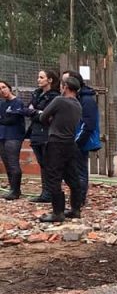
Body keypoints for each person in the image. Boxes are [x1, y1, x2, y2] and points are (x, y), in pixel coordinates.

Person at [36, 75, 83, 222]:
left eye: (62, 85)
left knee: (53, 177)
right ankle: (75, 209)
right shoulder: (78, 104)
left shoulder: (59, 100)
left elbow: (43, 117)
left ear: (66, 87)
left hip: (56, 143)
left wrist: (50, 118)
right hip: (70, 144)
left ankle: (58, 212)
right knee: (72, 177)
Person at [61, 70, 100, 207]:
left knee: (80, 172)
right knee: (73, 171)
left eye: (66, 82)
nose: (63, 85)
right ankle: (76, 199)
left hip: (79, 141)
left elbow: (88, 124)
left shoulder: (86, 100)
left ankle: (79, 201)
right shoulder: (74, 98)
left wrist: (77, 142)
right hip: (70, 140)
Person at [25, 70, 60, 203]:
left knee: (49, 165)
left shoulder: (54, 96)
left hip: (47, 134)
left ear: (50, 80)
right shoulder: (37, 93)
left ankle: (50, 193)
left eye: (41, 77)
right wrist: (37, 112)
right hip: (35, 134)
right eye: (38, 77)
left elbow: (48, 116)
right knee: (42, 164)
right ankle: (45, 192)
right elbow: (28, 110)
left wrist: (37, 112)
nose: (38, 80)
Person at [0, 80, 25, 200]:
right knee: (7, 163)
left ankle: (16, 190)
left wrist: (3, 119)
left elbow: (12, 120)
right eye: (0, 89)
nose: (2, 90)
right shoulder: (1, 104)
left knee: (13, 163)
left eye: (4, 87)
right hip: (2, 136)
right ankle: (12, 188)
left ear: (9, 88)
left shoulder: (17, 102)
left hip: (14, 136)